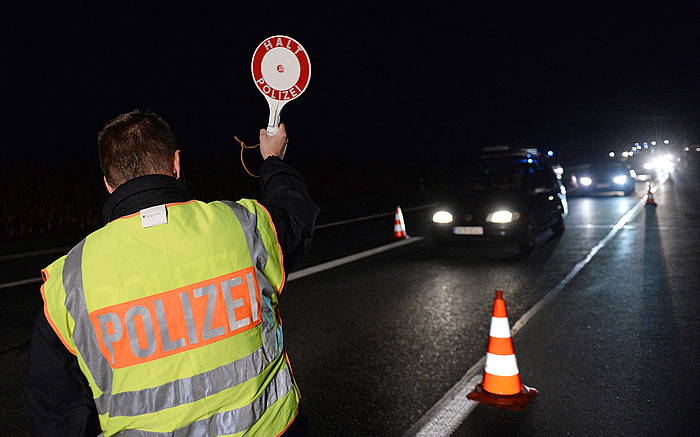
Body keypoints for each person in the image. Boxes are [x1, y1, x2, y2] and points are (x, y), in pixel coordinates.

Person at [25, 110, 318, 436]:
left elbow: (57, 414)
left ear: (108, 184)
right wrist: (273, 158)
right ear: (176, 164)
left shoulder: (69, 279)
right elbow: (296, 215)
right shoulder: (243, 226)